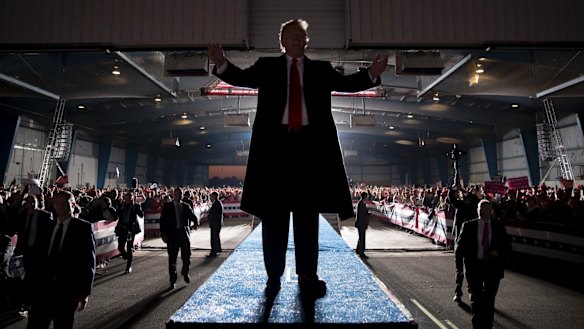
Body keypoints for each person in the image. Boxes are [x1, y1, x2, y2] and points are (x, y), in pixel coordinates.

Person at [208, 18, 388, 299]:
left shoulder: (321, 69)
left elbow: (346, 83)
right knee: (274, 216)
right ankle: (273, 275)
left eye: (300, 35)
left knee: (307, 217)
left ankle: (307, 275)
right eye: (289, 35)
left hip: (310, 150)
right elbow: (242, 78)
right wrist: (221, 63)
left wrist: (371, 74)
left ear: (307, 41)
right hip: (274, 149)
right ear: (281, 42)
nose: (295, 39)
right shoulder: (267, 67)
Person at [26, 190, 96, 329]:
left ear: (73, 204)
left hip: (67, 290)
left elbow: (89, 262)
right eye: (57, 203)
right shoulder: (46, 225)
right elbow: (38, 256)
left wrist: (84, 292)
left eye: (65, 204)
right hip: (42, 289)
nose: (61, 207)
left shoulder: (83, 228)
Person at [455, 199, 511, 329]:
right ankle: (477, 324)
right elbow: (460, 247)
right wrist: (459, 267)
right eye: (481, 209)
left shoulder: (498, 227)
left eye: (486, 210)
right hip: (474, 267)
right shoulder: (468, 226)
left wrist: (499, 252)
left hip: (492, 268)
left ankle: (487, 324)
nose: (483, 212)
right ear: (477, 210)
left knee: (489, 299)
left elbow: (508, 247)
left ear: (490, 211)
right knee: (476, 299)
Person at [14, 194, 54, 312]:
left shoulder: (45, 215)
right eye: (29, 202)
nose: (31, 204)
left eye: (33, 202)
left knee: (36, 276)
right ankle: (28, 301)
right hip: (27, 251)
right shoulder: (23, 215)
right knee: (28, 275)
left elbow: (49, 235)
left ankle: (33, 302)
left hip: (40, 252)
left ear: (38, 202)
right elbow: (20, 232)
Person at [159, 187, 199, 289]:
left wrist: (196, 223)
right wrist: (163, 234)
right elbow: (162, 221)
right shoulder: (167, 207)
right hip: (172, 236)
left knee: (186, 256)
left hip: (183, 234)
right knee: (172, 259)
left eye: (180, 194)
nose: (179, 196)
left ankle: (185, 272)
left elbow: (193, 216)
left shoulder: (185, 206)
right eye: (177, 194)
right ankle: (173, 280)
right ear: (174, 195)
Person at [114, 192, 144, 274]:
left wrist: (135, 209)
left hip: (131, 229)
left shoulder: (136, 206)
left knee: (129, 247)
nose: (127, 200)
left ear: (131, 199)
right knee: (120, 246)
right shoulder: (122, 205)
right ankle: (126, 255)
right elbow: (116, 215)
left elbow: (141, 215)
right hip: (122, 227)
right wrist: (121, 209)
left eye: (129, 198)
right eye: (126, 198)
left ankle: (128, 266)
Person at [207, 191, 224, 258]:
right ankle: (218, 249)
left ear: (214, 196)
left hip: (215, 223)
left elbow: (215, 214)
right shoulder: (217, 203)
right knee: (216, 237)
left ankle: (214, 251)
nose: (210, 197)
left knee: (214, 238)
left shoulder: (217, 204)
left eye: (211, 196)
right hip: (216, 223)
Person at [355, 191, 371, 258]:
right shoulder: (361, 204)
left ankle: (358, 250)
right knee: (362, 238)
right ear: (364, 197)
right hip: (361, 224)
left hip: (360, 223)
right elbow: (362, 215)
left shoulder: (361, 203)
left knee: (360, 237)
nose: (367, 198)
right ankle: (361, 253)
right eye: (366, 196)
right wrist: (368, 214)